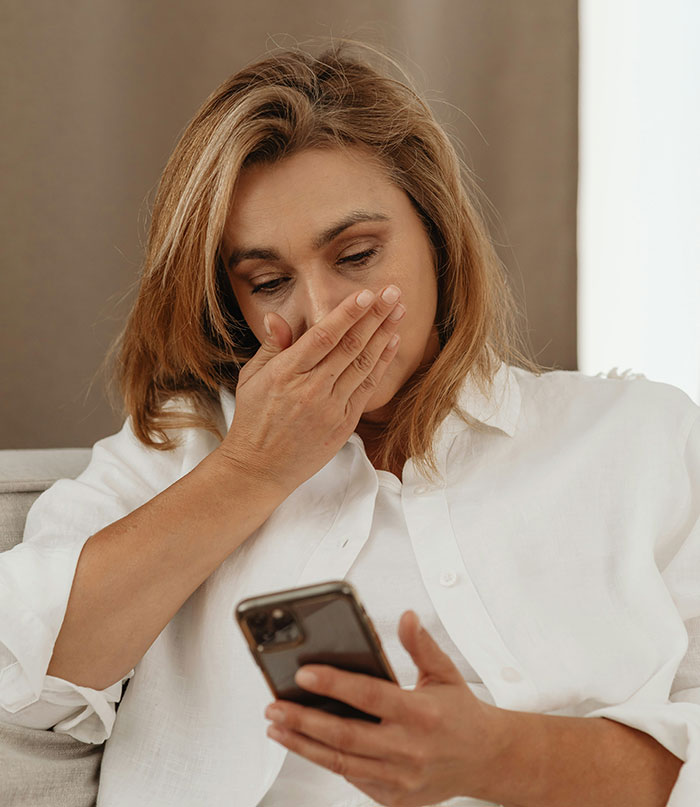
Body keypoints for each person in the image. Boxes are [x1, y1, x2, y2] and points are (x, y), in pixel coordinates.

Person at [1, 39, 698, 807]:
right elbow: (23, 678)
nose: (325, 313)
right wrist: (251, 472)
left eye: (358, 254)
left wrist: (497, 755)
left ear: (437, 235)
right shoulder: (181, 447)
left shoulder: (638, 438)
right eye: (268, 281)